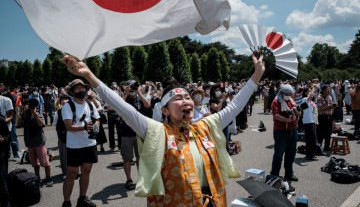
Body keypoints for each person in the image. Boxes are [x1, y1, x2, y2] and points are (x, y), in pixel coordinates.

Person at [61, 53, 264, 206]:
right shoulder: (157, 132)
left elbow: (236, 105)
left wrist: (256, 75)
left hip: (213, 201)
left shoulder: (205, 126)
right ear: (165, 110)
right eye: (178, 98)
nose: (186, 101)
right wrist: (89, 76)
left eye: (187, 97)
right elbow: (125, 111)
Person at [61, 79, 100, 207]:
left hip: (89, 143)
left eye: (83, 88)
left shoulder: (90, 104)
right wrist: (84, 128)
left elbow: (97, 119)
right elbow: (68, 126)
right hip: (75, 145)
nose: (81, 90)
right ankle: (67, 202)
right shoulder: (67, 106)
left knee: (86, 171)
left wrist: (95, 126)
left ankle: (82, 199)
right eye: (78, 88)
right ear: (72, 92)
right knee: (71, 174)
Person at [121, 80, 151, 190]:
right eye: (131, 86)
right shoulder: (125, 99)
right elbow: (117, 106)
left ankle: (141, 178)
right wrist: (127, 93)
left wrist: (139, 92)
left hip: (139, 133)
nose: (133, 89)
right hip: (126, 133)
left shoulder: (139, 98)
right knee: (127, 158)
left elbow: (148, 105)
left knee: (140, 158)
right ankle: (129, 179)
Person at [17, 99, 53, 186]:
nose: (28, 107)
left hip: (39, 142)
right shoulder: (25, 116)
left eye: (29, 105)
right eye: (26, 105)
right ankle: (37, 178)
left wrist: (34, 113)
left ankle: (48, 178)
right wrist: (22, 114)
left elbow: (41, 124)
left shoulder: (38, 114)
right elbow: (18, 124)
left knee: (45, 162)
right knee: (34, 163)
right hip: (30, 143)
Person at [270, 84, 300, 183]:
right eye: (287, 94)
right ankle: (274, 175)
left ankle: (289, 173)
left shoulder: (291, 100)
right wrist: (287, 120)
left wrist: (298, 112)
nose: (288, 95)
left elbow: (297, 111)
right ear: (282, 93)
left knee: (291, 153)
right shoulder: (276, 101)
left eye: (290, 94)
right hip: (280, 131)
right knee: (278, 154)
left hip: (292, 130)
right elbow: (276, 115)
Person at [301, 88, 318, 161]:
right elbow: (311, 96)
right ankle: (311, 155)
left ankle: (309, 154)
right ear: (305, 93)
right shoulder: (304, 99)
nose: (311, 92)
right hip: (308, 121)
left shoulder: (311, 101)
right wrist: (313, 88)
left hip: (312, 121)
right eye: (309, 91)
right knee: (311, 139)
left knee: (311, 139)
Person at [316, 85, 334, 152]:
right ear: (323, 91)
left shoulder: (329, 97)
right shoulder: (319, 97)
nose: (329, 91)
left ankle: (327, 147)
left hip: (329, 116)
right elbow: (320, 109)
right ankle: (319, 147)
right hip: (322, 117)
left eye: (329, 89)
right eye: (327, 89)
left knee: (328, 133)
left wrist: (333, 107)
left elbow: (331, 106)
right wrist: (329, 106)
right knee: (321, 132)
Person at [0, 113, 11, 207]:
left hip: (0, 157)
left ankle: (7, 203)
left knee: (3, 182)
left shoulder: (0, 120)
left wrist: (3, 139)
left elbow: (9, 137)